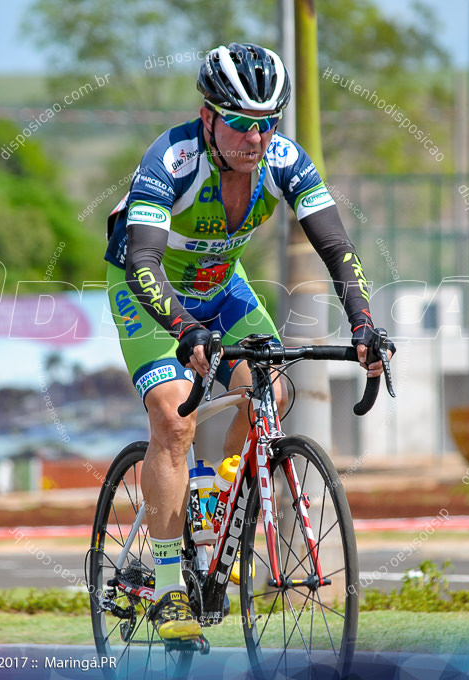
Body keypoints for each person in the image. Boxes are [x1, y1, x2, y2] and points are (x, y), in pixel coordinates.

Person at [103, 42, 389, 641]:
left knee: (270, 393)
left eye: (267, 123)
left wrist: (362, 321)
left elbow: (335, 246)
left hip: (222, 286)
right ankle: (167, 588)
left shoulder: (285, 160)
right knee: (173, 419)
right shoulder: (173, 160)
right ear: (208, 116)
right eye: (240, 122)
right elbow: (144, 259)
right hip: (148, 291)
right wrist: (183, 331)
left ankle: (210, 494)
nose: (255, 138)